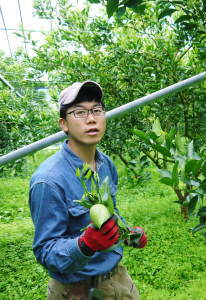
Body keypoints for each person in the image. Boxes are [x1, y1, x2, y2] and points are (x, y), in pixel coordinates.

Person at [29, 80, 147, 300]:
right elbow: (45, 250)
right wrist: (84, 245)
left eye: (97, 110)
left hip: (118, 279)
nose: (91, 119)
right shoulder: (48, 181)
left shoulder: (106, 165)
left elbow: (110, 213)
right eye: (80, 112)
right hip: (75, 290)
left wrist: (126, 234)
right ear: (64, 124)